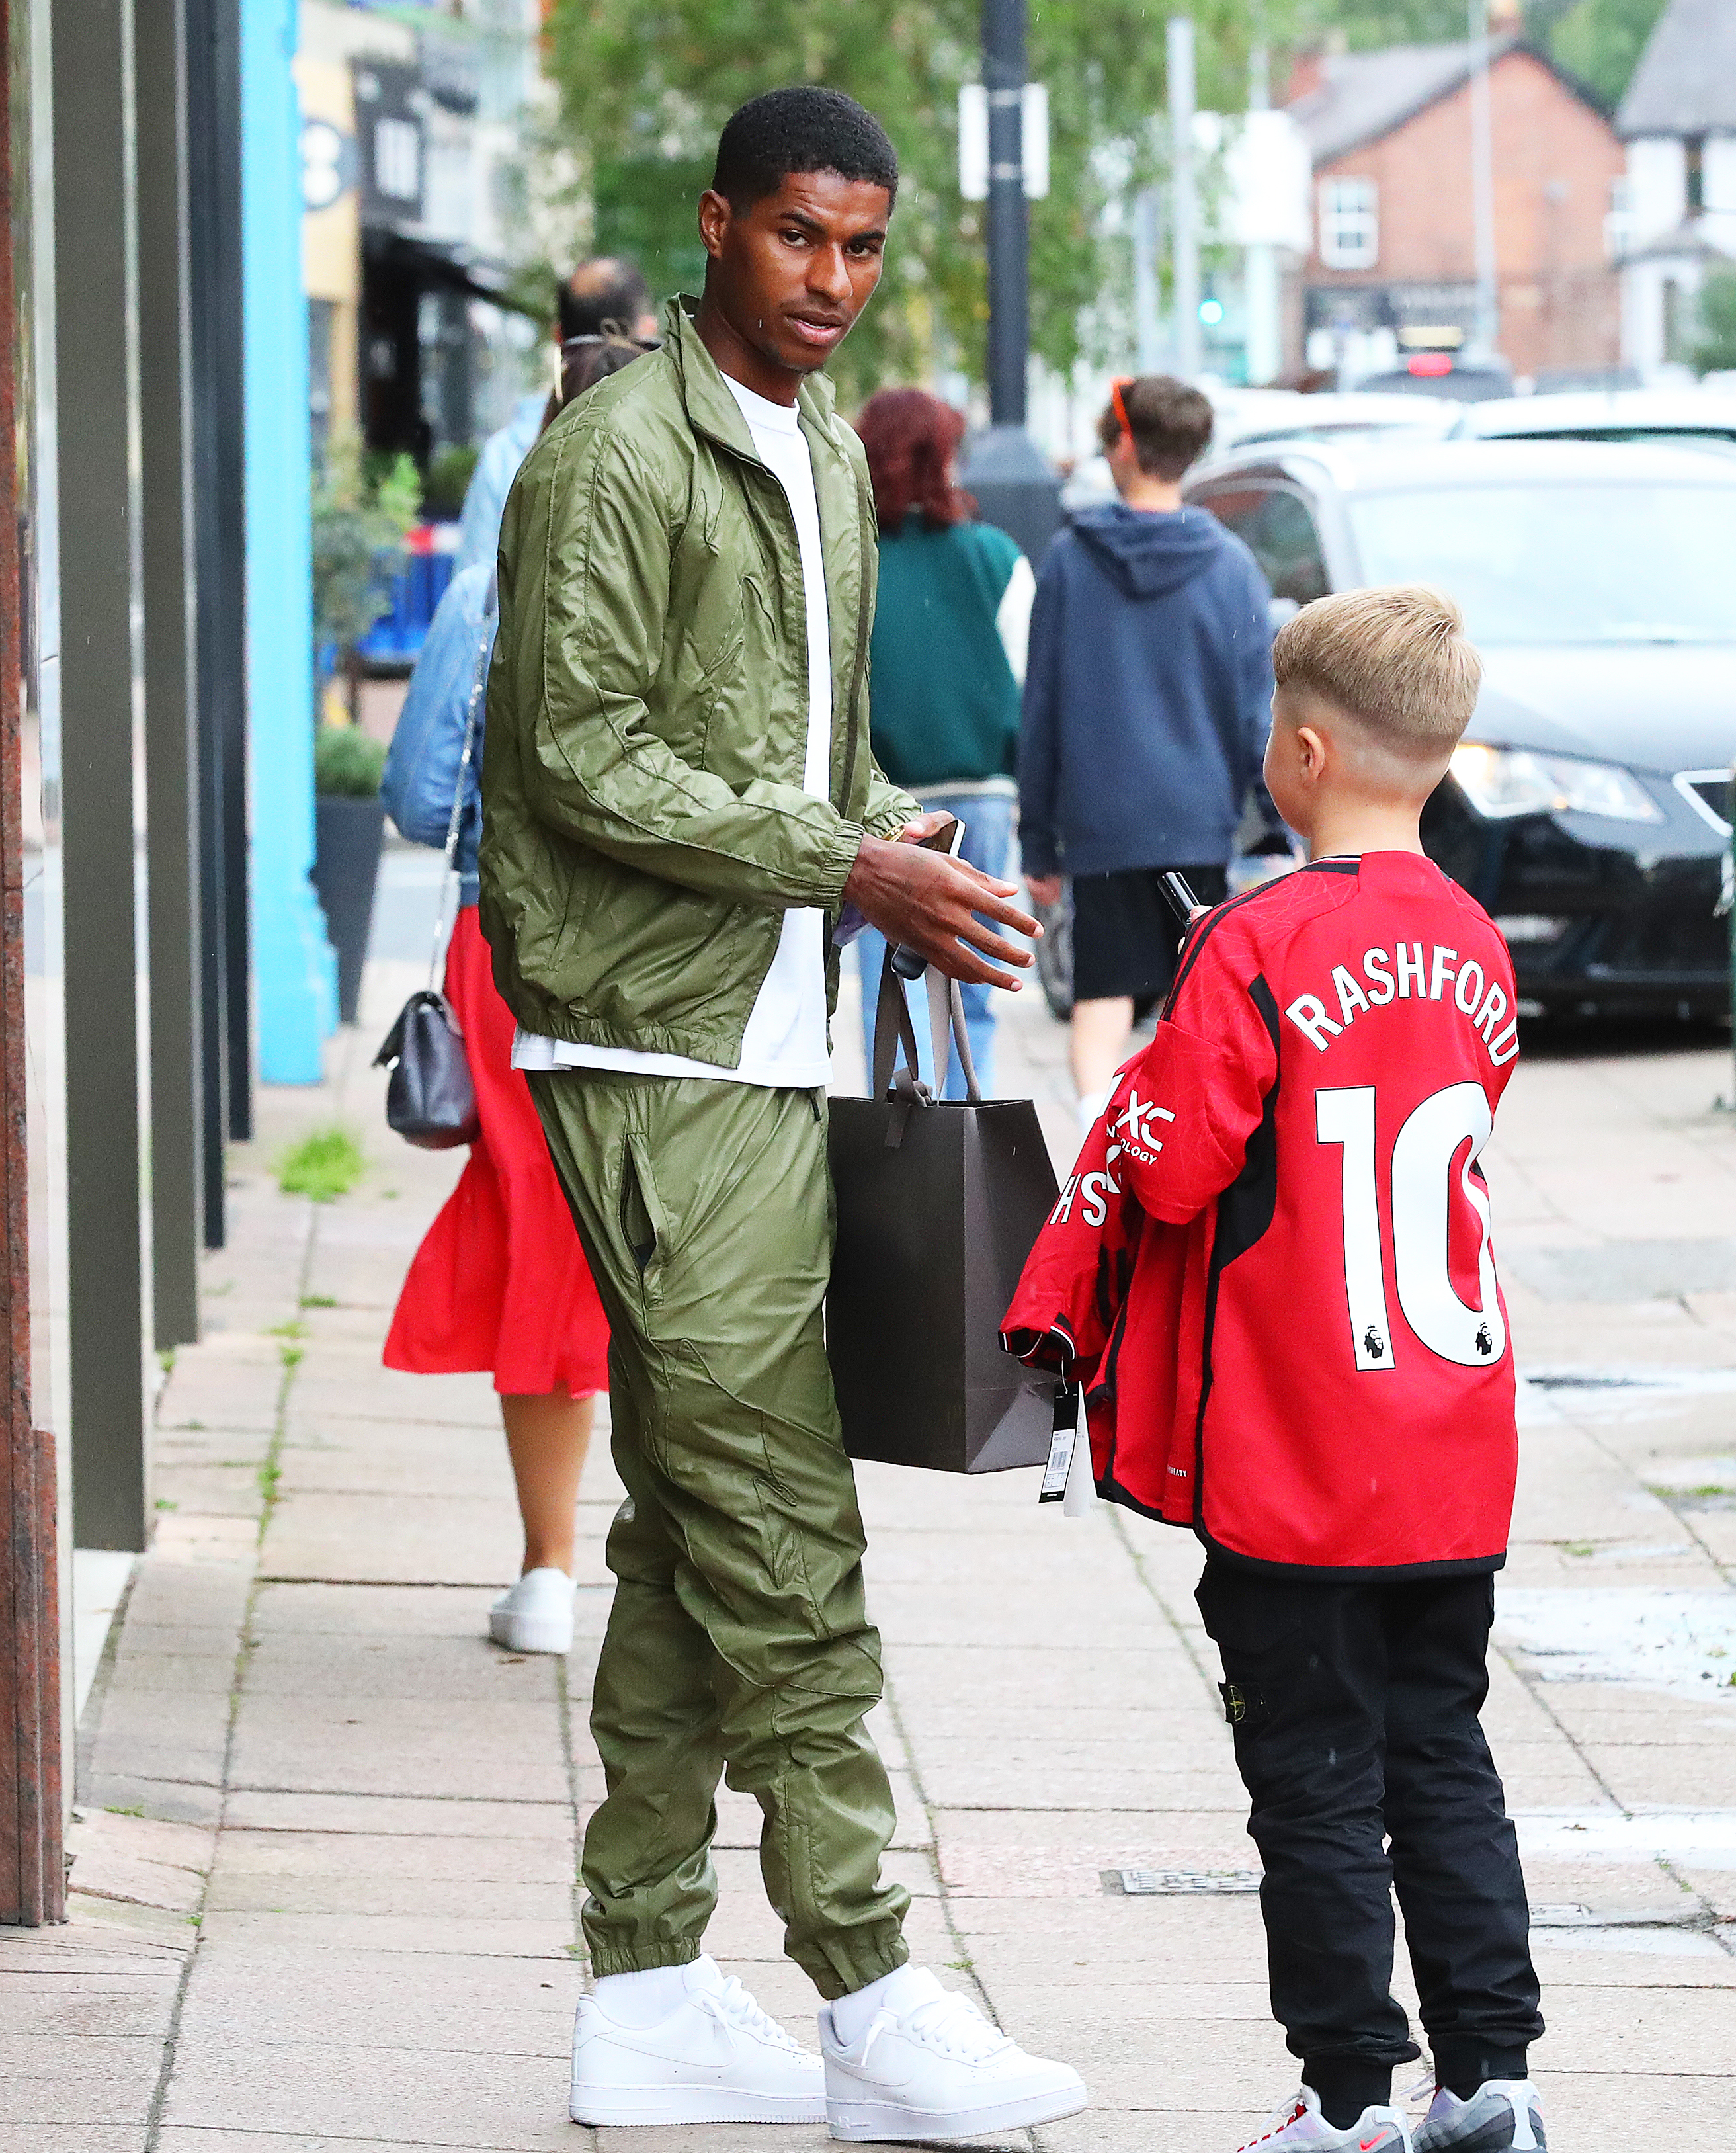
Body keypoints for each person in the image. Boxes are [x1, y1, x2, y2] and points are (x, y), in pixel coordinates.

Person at [478, 84, 1086, 2141]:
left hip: (761, 1027)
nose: (831, 282)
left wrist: (873, 844)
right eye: (795, 238)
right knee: (778, 1517)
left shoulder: (818, 438)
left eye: (860, 247)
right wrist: (840, 862)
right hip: (642, 1046)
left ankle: (643, 1985)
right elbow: (574, 755)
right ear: (716, 226)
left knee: (679, 1526)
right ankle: (870, 1986)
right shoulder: (614, 452)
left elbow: (767, 738)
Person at [1022, 587, 1544, 2153]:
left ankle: (1342, 2103)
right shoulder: (1469, 941)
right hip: (1451, 1445)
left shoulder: (1257, 943)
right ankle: (1490, 2080)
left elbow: (1173, 1171)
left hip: (1296, 1447)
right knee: (1441, 1751)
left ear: (1299, 753)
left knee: (1313, 1778)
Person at [380, 337, 648, 1658]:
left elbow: (421, 796)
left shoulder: (494, 588)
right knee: (682, 1241)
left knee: (542, 1231)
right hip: (680, 951)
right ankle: (690, 1566)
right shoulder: (720, 587)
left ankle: (548, 1569)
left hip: (519, 942)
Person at [1018, 374, 1284, 1128]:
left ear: (1123, 448)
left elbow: (1042, 707)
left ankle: (1102, 1147)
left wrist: (1037, 840)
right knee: (1191, 998)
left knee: (1100, 994)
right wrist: (1273, 822)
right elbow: (1251, 708)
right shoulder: (1230, 566)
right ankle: (1173, 1156)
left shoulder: (1071, 560)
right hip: (1197, 817)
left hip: (1101, 823)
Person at [852, 388, 1034, 1097]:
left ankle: (906, 1160)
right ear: (947, 456)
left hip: (884, 808)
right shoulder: (994, 555)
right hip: (983, 794)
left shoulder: (853, 563)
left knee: (887, 1002)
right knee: (976, 992)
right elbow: (1026, 679)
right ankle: (965, 1148)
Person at [453, 257, 658, 573]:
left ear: (558, 336)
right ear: (648, 331)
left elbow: (476, 587)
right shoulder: (678, 444)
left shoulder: (506, 456)